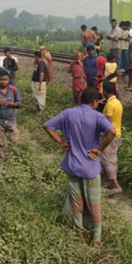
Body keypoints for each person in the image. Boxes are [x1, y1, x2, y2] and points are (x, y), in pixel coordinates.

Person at [43, 87, 116, 246]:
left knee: (76, 201)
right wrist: (99, 149)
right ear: (94, 102)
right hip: (90, 167)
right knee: (94, 202)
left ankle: (80, 234)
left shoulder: (68, 113)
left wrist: (61, 142)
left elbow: (47, 126)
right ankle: (96, 238)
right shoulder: (97, 116)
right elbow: (112, 132)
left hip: (73, 164)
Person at [100, 82, 124, 196]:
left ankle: (116, 185)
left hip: (110, 135)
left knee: (106, 159)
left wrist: (103, 135)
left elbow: (107, 123)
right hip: (117, 133)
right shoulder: (117, 102)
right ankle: (112, 182)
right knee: (112, 159)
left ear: (105, 90)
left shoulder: (109, 105)